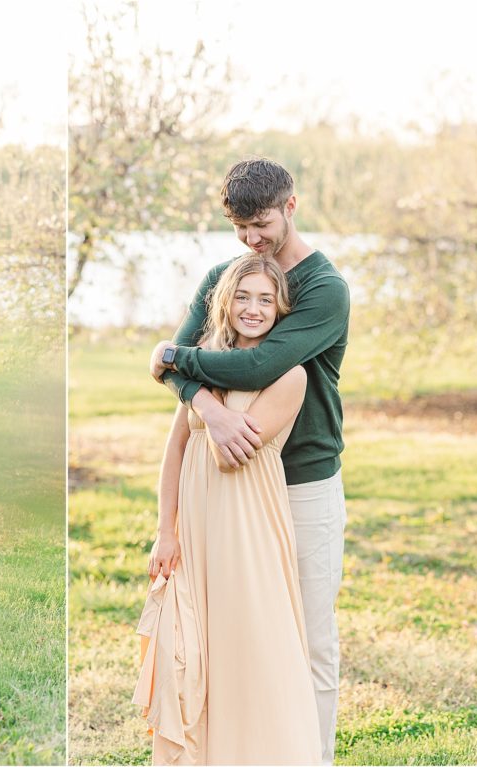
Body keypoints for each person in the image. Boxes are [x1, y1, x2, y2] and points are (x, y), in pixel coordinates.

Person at [149, 158, 350, 764]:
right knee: (231, 633)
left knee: (308, 640)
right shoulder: (225, 277)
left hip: (302, 484)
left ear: (291, 206)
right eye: (239, 227)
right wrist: (205, 409)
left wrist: (176, 363)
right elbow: (171, 367)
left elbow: (258, 366)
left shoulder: (324, 289)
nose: (250, 238)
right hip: (224, 496)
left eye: (260, 224)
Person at [134, 254, 321, 765]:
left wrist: (197, 390)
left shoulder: (290, 376)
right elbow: (176, 450)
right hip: (195, 526)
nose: (253, 308)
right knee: (195, 647)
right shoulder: (204, 360)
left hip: (248, 526)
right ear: (225, 301)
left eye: (265, 299)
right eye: (242, 296)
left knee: (251, 644)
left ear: (280, 309)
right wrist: (164, 531)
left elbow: (226, 450)